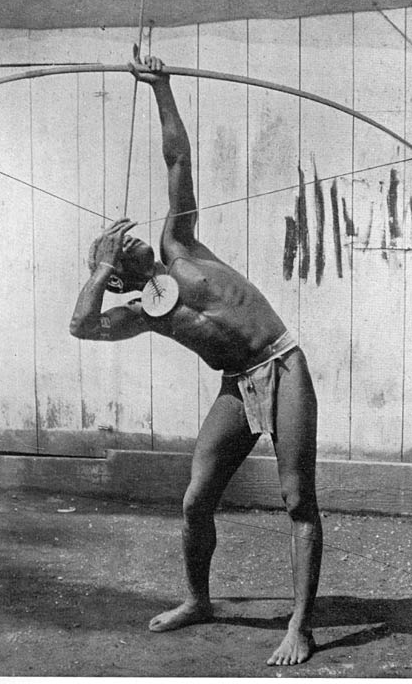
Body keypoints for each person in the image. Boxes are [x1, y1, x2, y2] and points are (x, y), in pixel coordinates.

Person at [70, 49, 322, 667]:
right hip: (238, 386)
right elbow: (81, 326)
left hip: (283, 364)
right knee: (193, 501)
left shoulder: (177, 246)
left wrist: (160, 89)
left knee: (297, 499)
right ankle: (197, 600)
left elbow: (177, 159)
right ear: (120, 277)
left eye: (121, 240)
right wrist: (99, 268)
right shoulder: (138, 313)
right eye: (114, 249)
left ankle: (300, 625)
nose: (124, 239)